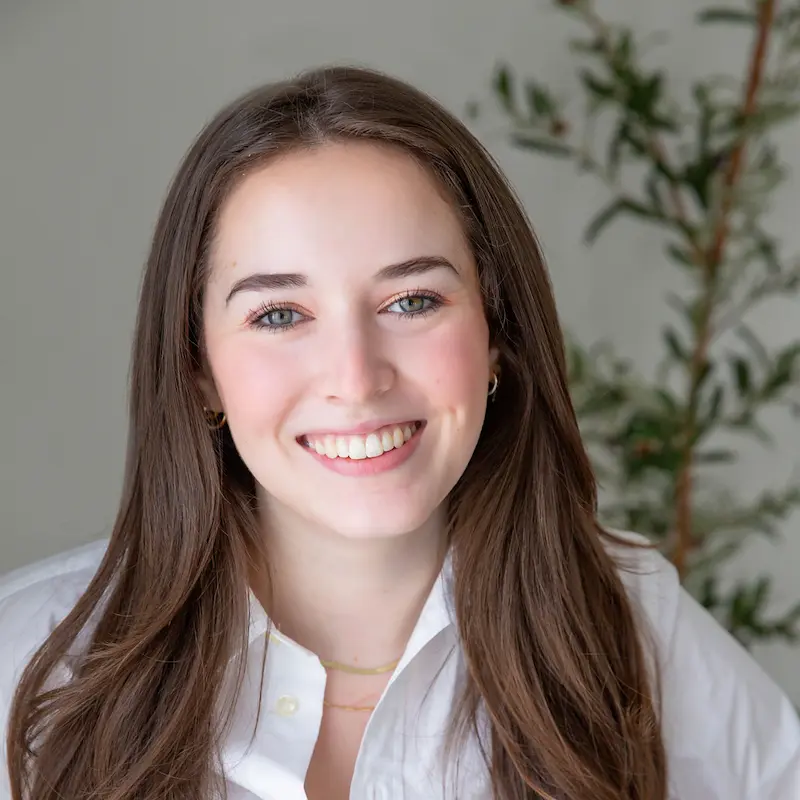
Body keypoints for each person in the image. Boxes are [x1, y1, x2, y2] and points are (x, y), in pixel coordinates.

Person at [1, 65, 798, 800]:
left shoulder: (625, 621)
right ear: (199, 367)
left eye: (412, 301)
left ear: (495, 332)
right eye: (279, 314)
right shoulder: (28, 664)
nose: (356, 376)